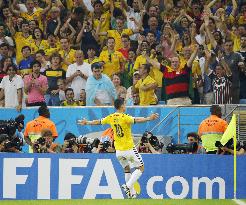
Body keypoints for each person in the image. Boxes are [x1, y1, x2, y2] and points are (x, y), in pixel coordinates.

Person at [77, 98, 159, 198]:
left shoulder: (111, 117)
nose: (125, 106)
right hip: (129, 148)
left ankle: (131, 194)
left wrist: (87, 122)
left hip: (119, 151)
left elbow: (98, 121)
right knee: (141, 168)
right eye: (124, 104)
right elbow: (137, 120)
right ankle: (128, 186)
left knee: (127, 169)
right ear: (121, 106)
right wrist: (149, 118)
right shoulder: (125, 117)